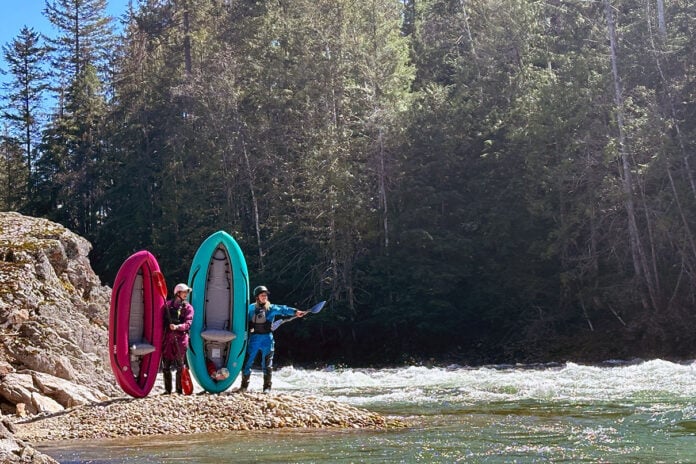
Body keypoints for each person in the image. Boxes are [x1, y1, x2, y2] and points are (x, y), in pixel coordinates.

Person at [240, 285, 306, 392]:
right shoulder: (251, 308)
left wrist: (295, 312)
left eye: (265, 295)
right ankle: (244, 386)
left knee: (267, 364)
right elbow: (243, 320)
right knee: (247, 362)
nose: (264, 297)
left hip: (267, 339)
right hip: (254, 339)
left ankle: (267, 388)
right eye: (262, 295)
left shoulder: (271, 308)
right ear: (257, 297)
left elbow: (283, 309)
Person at [161, 283, 194, 394]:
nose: (186, 294)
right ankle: (167, 390)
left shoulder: (188, 308)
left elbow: (188, 324)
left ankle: (179, 390)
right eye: (184, 292)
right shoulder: (167, 305)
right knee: (166, 366)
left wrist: (177, 327)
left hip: (181, 340)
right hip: (168, 340)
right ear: (178, 293)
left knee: (180, 366)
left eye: (186, 292)